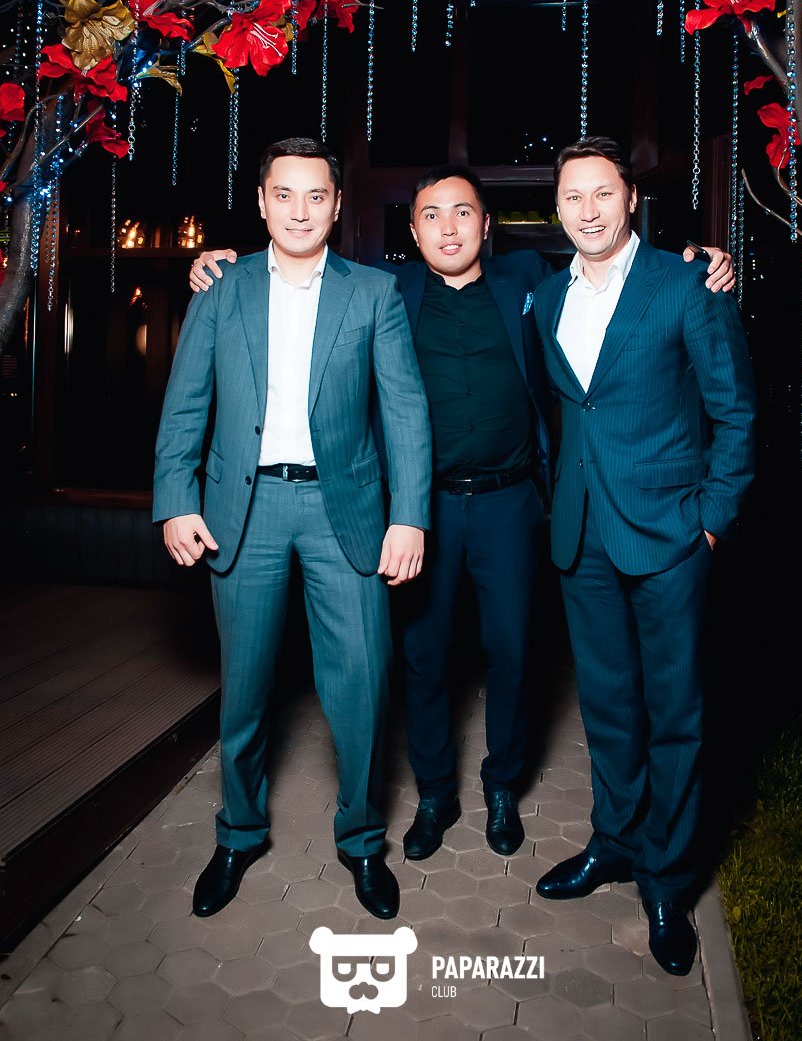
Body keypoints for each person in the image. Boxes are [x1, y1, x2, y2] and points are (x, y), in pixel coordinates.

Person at [189, 164, 734, 865]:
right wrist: (214, 261)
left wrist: (700, 255)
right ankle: (435, 794)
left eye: (462, 213)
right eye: (431, 216)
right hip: (423, 511)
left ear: (487, 224)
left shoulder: (529, 283)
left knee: (514, 653)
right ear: (413, 233)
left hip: (512, 504)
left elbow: (614, 273)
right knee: (423, 658)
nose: (448, 228)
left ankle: (502, 787)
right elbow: (301, 269)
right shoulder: (385, 290)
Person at [153, 137, 431, 921]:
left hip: (347, 513)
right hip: (244, 511)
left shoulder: (373, 294)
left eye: (315, 196)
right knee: (244, 690)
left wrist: (409, 516)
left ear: (337, 206)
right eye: (284, 194)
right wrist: (176, 499)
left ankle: (362, 841)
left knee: (362, 688)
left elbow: (405, 412)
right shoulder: (221, 288)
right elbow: (185, 402)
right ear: (261, 201)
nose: (299, 211)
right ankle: (238, 834)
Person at [533, 136, 756, 977]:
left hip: (669, 535)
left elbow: (735, 413)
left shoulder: (686, 284)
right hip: (582, 535)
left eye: (602, 193)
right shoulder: (545, 297)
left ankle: (666, 878)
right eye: (572, 196)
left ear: (630, 199)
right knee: (608, 706)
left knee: (674, 713)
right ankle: (615, 842)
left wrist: (710, 521)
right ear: (556, 208)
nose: (587, 210)